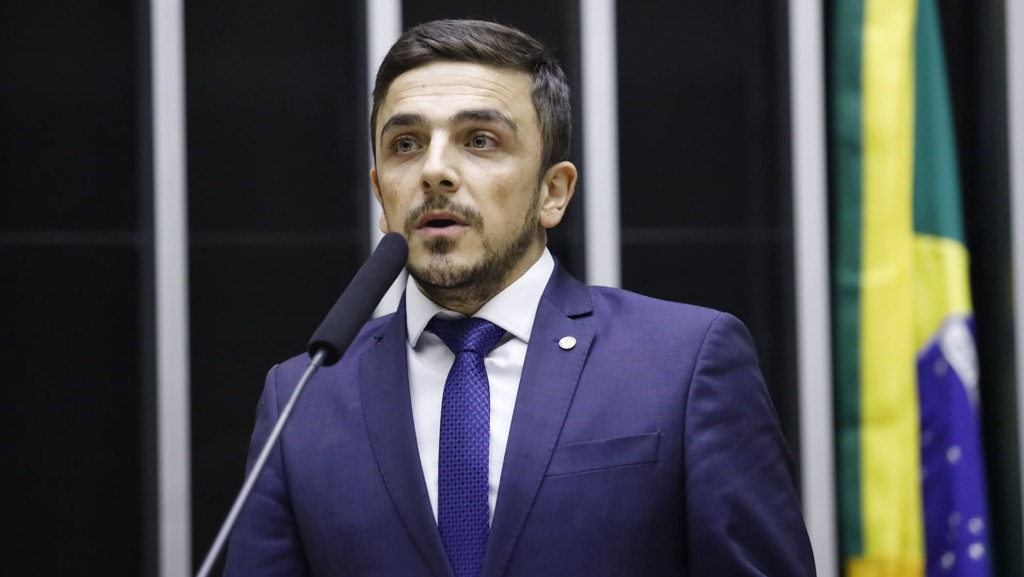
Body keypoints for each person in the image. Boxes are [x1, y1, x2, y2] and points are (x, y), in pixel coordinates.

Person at [223, 18, 816, 577]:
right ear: (382, 194)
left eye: (479, 140)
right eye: (405, 144)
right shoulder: (302, 396)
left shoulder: (683, 363)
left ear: (552, 193)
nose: (434, 171)